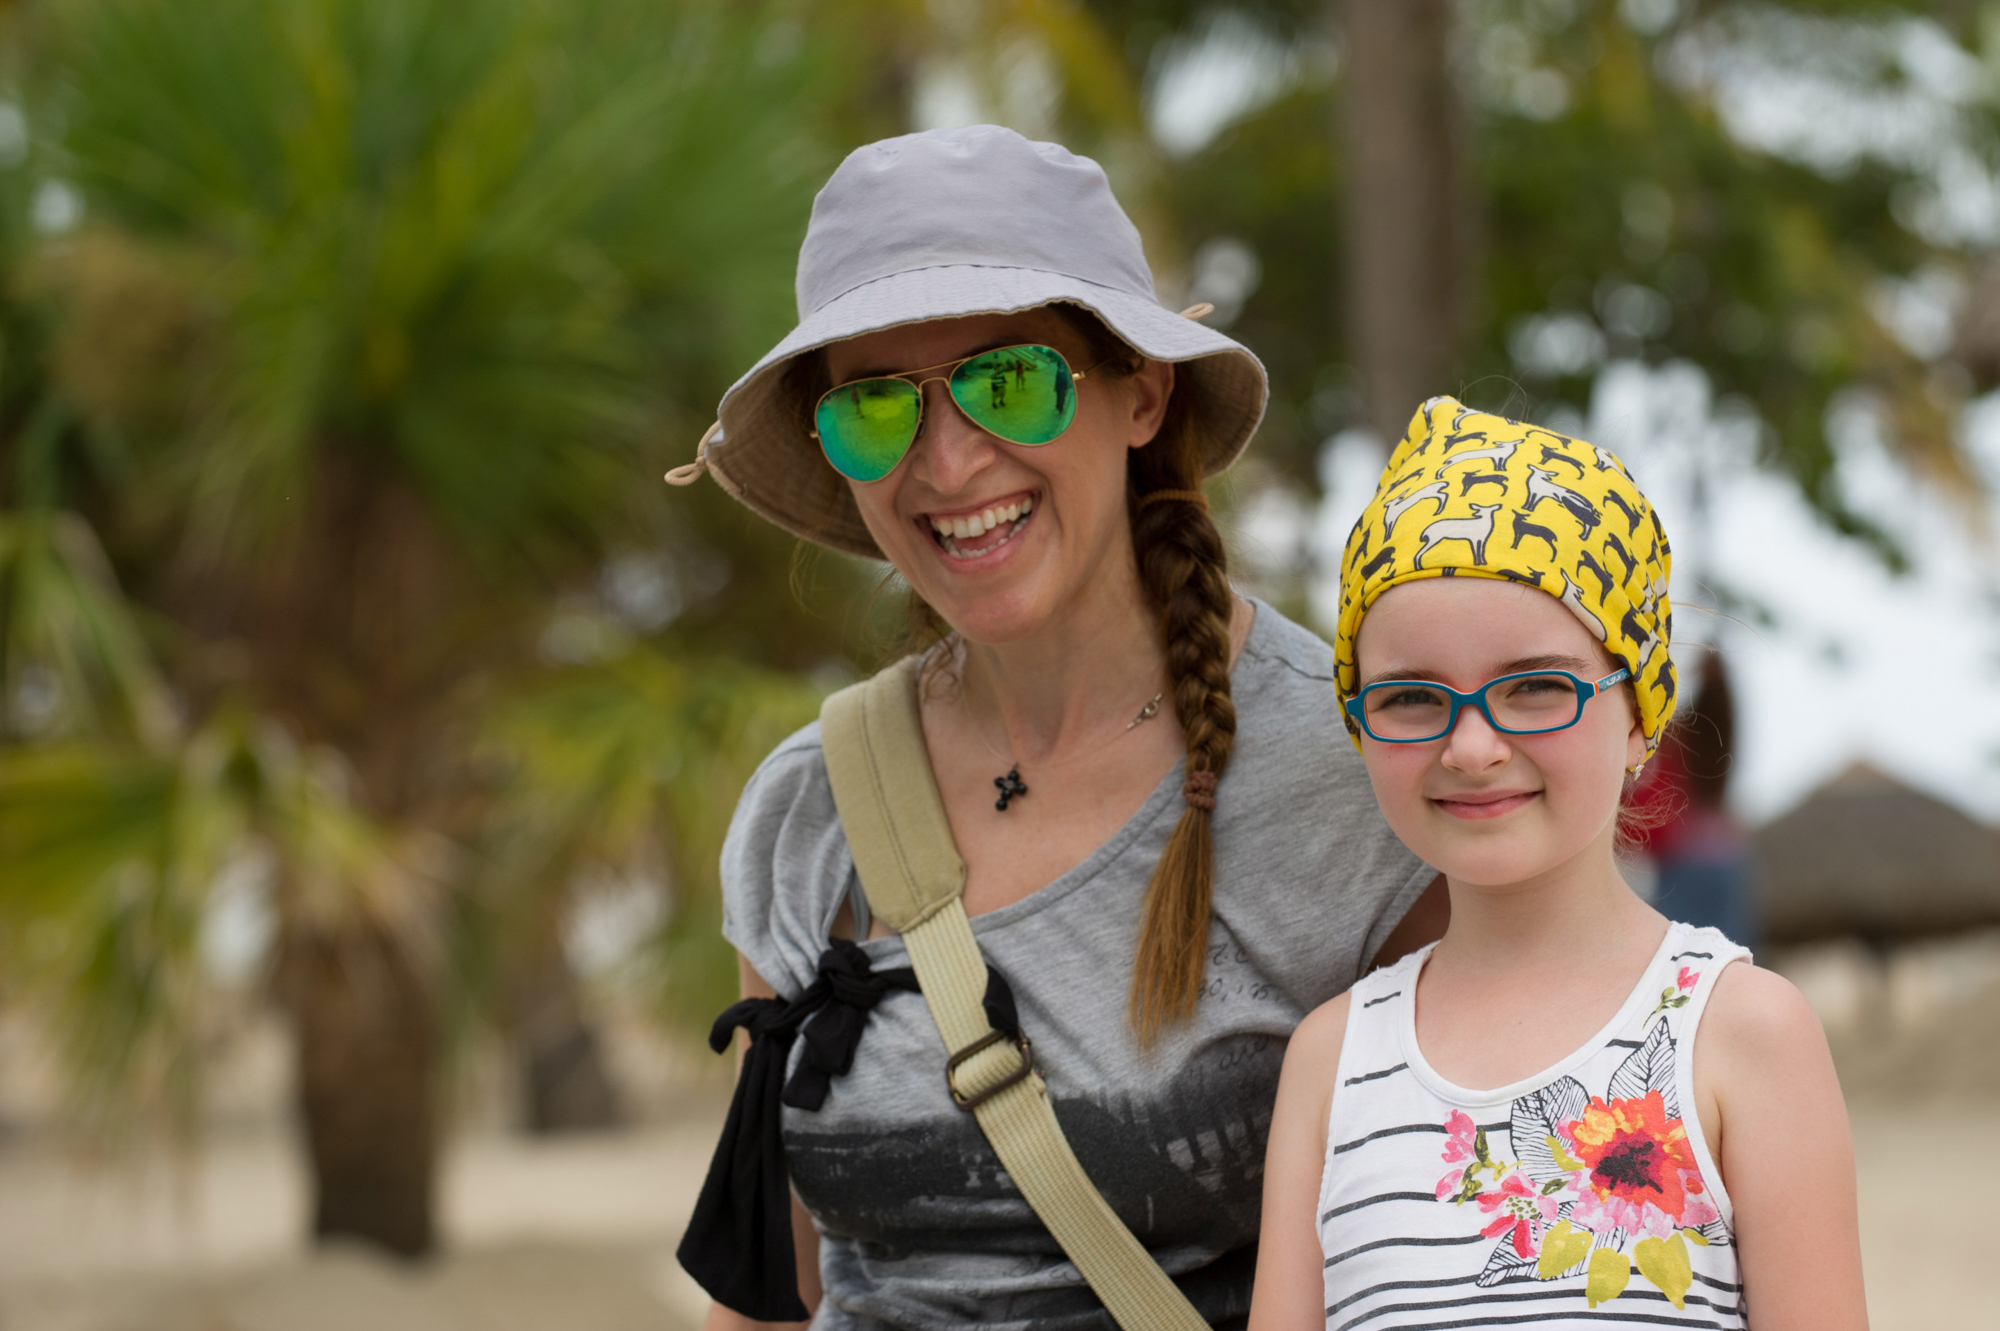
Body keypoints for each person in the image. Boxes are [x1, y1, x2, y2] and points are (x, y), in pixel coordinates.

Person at [666, 125, 1446, 1330]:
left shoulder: (1353, 779)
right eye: (874, 407)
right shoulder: (805, 808)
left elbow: (1465, 1256)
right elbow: (769, 1293)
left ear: (1140, 393)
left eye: (1008, 381)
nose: (946, 462)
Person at [1249, 400, 1865, 1330]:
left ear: (1642, 711)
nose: (1472, 746)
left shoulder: (1742, 1033)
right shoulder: (1330, 1064)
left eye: (1536, 685)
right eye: (1412, 697)